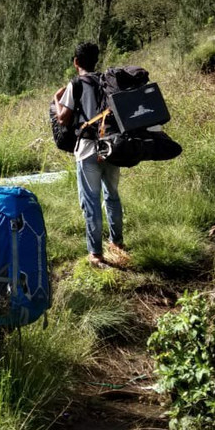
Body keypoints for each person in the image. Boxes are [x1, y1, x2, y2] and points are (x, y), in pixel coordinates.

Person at [52, 41, 127, 269]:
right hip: (111, 147)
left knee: (91, 202)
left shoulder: (75, 84)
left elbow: (63, 118)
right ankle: (117, 243)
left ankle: (95, 253)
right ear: (96, 60)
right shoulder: (107, 80)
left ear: (76, 62)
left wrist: (56, 99)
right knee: (112, 195)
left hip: (87, 150)